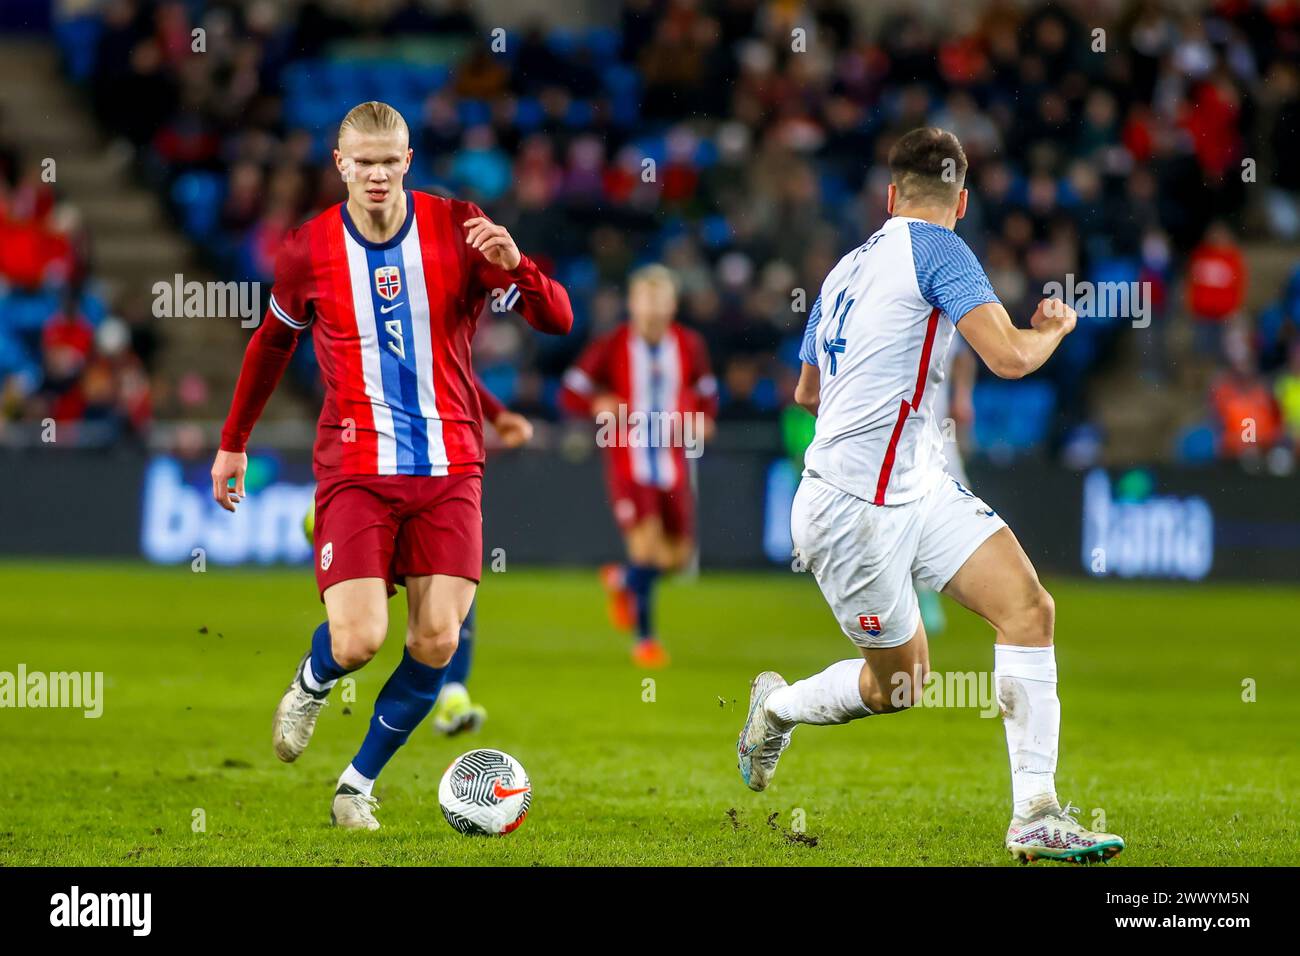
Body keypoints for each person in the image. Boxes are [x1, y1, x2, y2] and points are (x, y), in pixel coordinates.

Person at [737, 127, 1124, 864]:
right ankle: (779, 707)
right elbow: (1009, 358)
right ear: (962, 201)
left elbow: (806, 391)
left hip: (914, 484)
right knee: (903, 686)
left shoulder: (844, 269)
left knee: (1028, 608)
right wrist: (1053, 330)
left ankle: (1036, 813)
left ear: (890, 196)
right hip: (852, 512)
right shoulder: (941, 247)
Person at [212, 101, 571, 830]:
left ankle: (355, 785)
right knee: (359, 640)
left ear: (408, 160)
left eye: (390, 160)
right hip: (355, 465)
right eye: (363, 162)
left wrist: (520, 267)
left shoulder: (461, 227)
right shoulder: (307, 249)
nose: (377, 174)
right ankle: (313, 682)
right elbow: (271, 347)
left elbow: (558, 319)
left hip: (451, 466)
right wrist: (233, 440)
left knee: (436, 641)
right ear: (340, 165)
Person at [559, 265, 717, 668]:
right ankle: (645, 640)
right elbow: (572, 389)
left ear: (672, 305)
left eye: (660, 300)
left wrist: (704, 417)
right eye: (645, 301)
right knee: (646, 549)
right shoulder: (612, 344)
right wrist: (596, 404)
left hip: (672, 462)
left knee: (678, 559)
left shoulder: (688, 344)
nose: (652, 310)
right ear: (632, 304)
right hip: (627, 458)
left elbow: (706, 391)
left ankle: (623, 579)